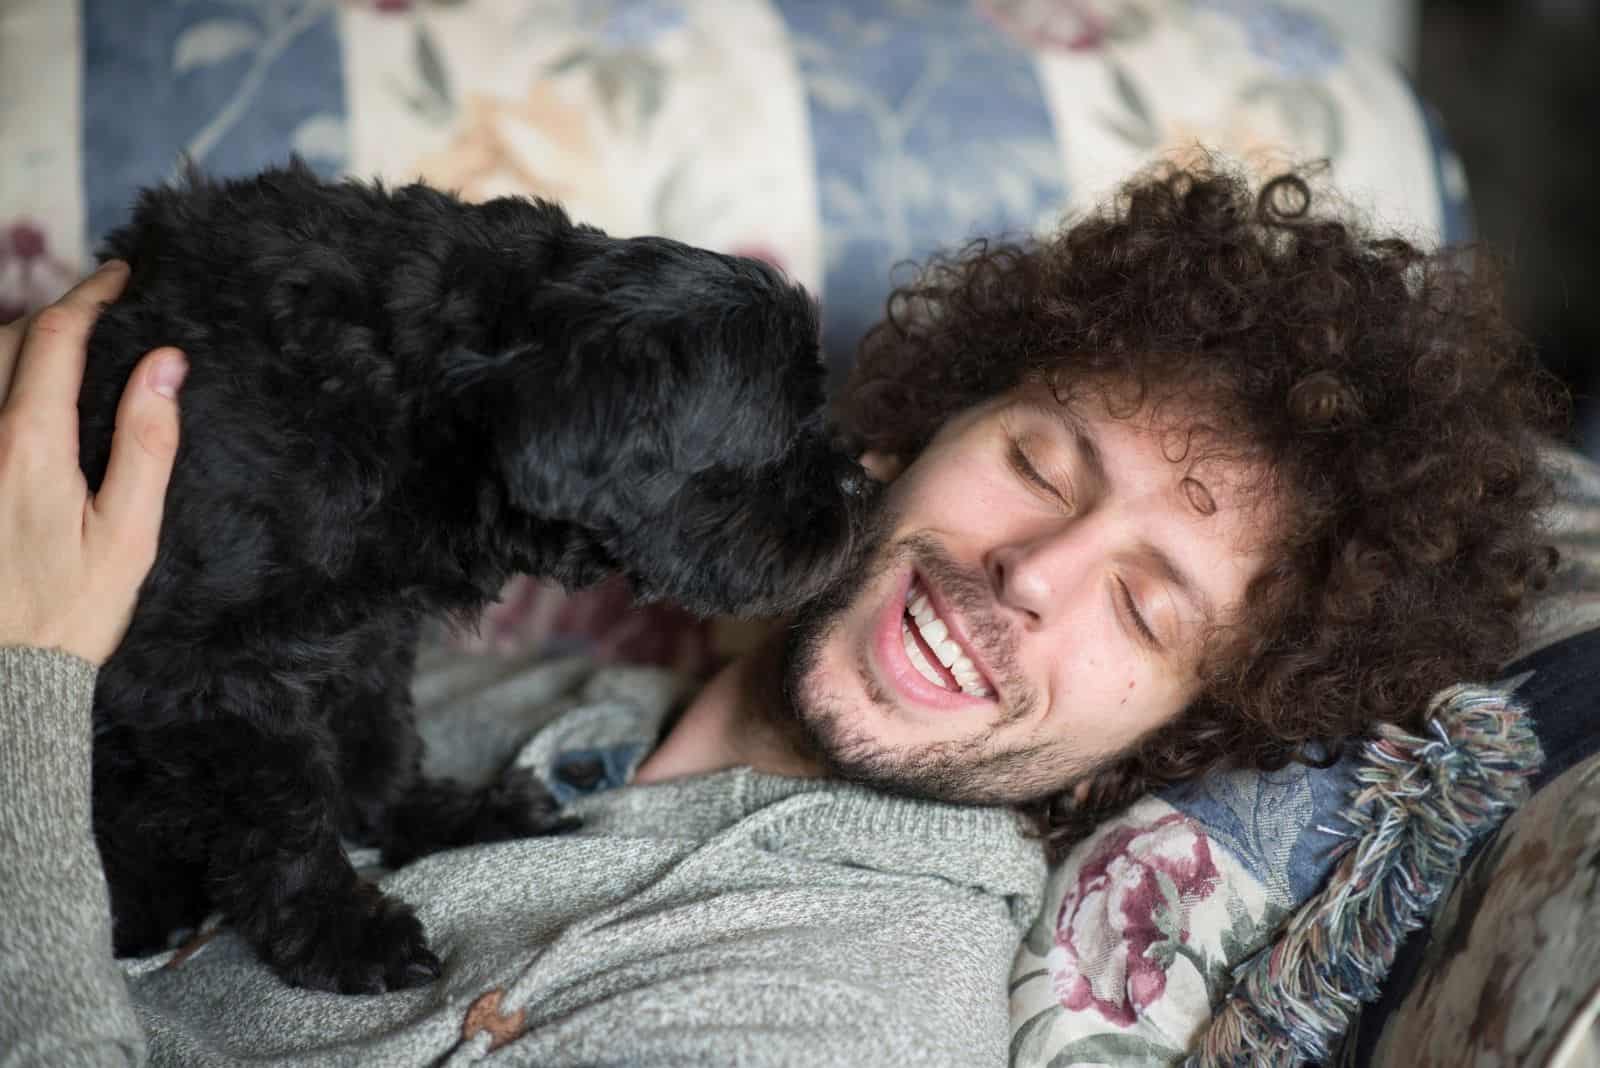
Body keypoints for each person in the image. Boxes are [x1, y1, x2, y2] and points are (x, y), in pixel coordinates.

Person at [0, 165, 1564, 1065]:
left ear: (1172, 742)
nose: (1030, 571)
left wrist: (28, 670)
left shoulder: (838, 1003)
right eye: (1037, 460)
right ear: (898, 433)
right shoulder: (518, 674)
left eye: (1146, 611)